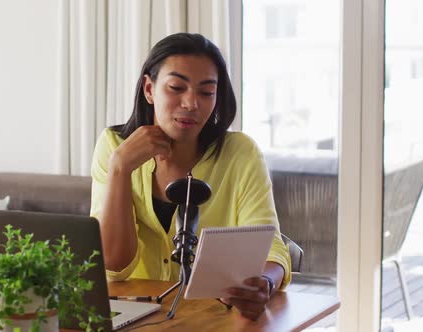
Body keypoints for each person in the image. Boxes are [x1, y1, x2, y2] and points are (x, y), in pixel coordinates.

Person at [90, 33, 291, 321]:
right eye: (176, 87)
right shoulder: (113, 146)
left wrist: (265, 283)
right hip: (136, 319)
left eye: (206, 92)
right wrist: (121, 167)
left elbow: (270, 247)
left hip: (214, 317)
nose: (191, 103)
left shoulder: (240, 153)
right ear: (149, 89)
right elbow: (113, 266)